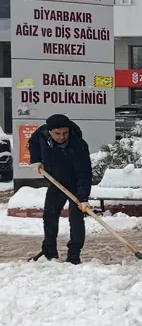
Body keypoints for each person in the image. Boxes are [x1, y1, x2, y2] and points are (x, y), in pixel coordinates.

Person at [28, 113, 91, 264]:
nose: (62, 137)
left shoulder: (79, 145)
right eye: (57, 134)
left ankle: (74, 254)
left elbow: (85, 174)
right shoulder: (42, 134)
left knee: (76, 219)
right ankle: (49, 252)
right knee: (49, 215)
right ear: (49, 131)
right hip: (56, 181)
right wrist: (36, 160)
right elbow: (33, 142)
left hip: (76, 183)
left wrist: (83, 198)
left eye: (65, 133)